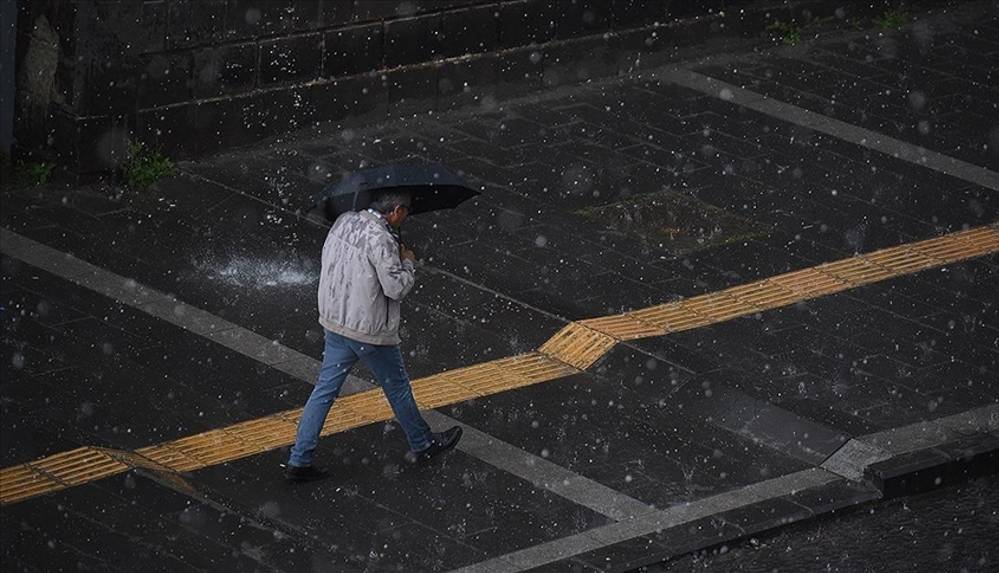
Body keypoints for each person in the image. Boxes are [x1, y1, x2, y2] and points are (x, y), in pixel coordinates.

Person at [285, 190, 462, 482]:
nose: (407, 216)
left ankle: (299, 459)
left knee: (324, 391)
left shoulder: (343, 221)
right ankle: (423, 443)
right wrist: (407, 262)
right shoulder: (380, 239)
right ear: (395, 211)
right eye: (406, 211)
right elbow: (396, 288)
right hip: (368, 329)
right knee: (397, 388)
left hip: (335, 321)